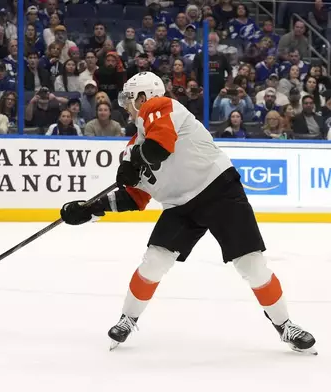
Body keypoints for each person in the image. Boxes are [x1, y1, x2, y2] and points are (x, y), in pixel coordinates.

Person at [58, 72, 317, 355]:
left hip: (219, 192)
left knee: (251, 265)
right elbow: (135, 197)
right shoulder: (132, 148)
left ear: (143, 97)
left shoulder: (163, 107)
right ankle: (127, 319)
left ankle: (285, 325)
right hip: (180, 206)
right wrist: (90, 209)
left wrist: (137, 160)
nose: (126, 106)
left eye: (130, 99)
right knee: (154, 262)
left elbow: (159, 148)